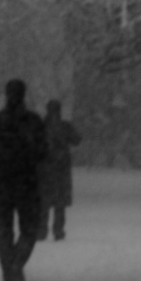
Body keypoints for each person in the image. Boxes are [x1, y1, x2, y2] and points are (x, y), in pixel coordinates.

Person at [0, 79, 47, 281]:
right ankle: (18, 261)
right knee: (30, 227)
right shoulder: (34, 122)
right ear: (24, 94)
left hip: (1, 182)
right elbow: (43, 151)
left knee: (3, 228)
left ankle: (8, 268)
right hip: (27, 181)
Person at [37, 99, 81, 242]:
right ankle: (58, 230)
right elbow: (77, 139)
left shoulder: (42, 126)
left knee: (43, 203)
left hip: (44, 170)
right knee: (59, 204)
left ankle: (42, 230)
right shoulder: (65, 126)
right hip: (61, 170)